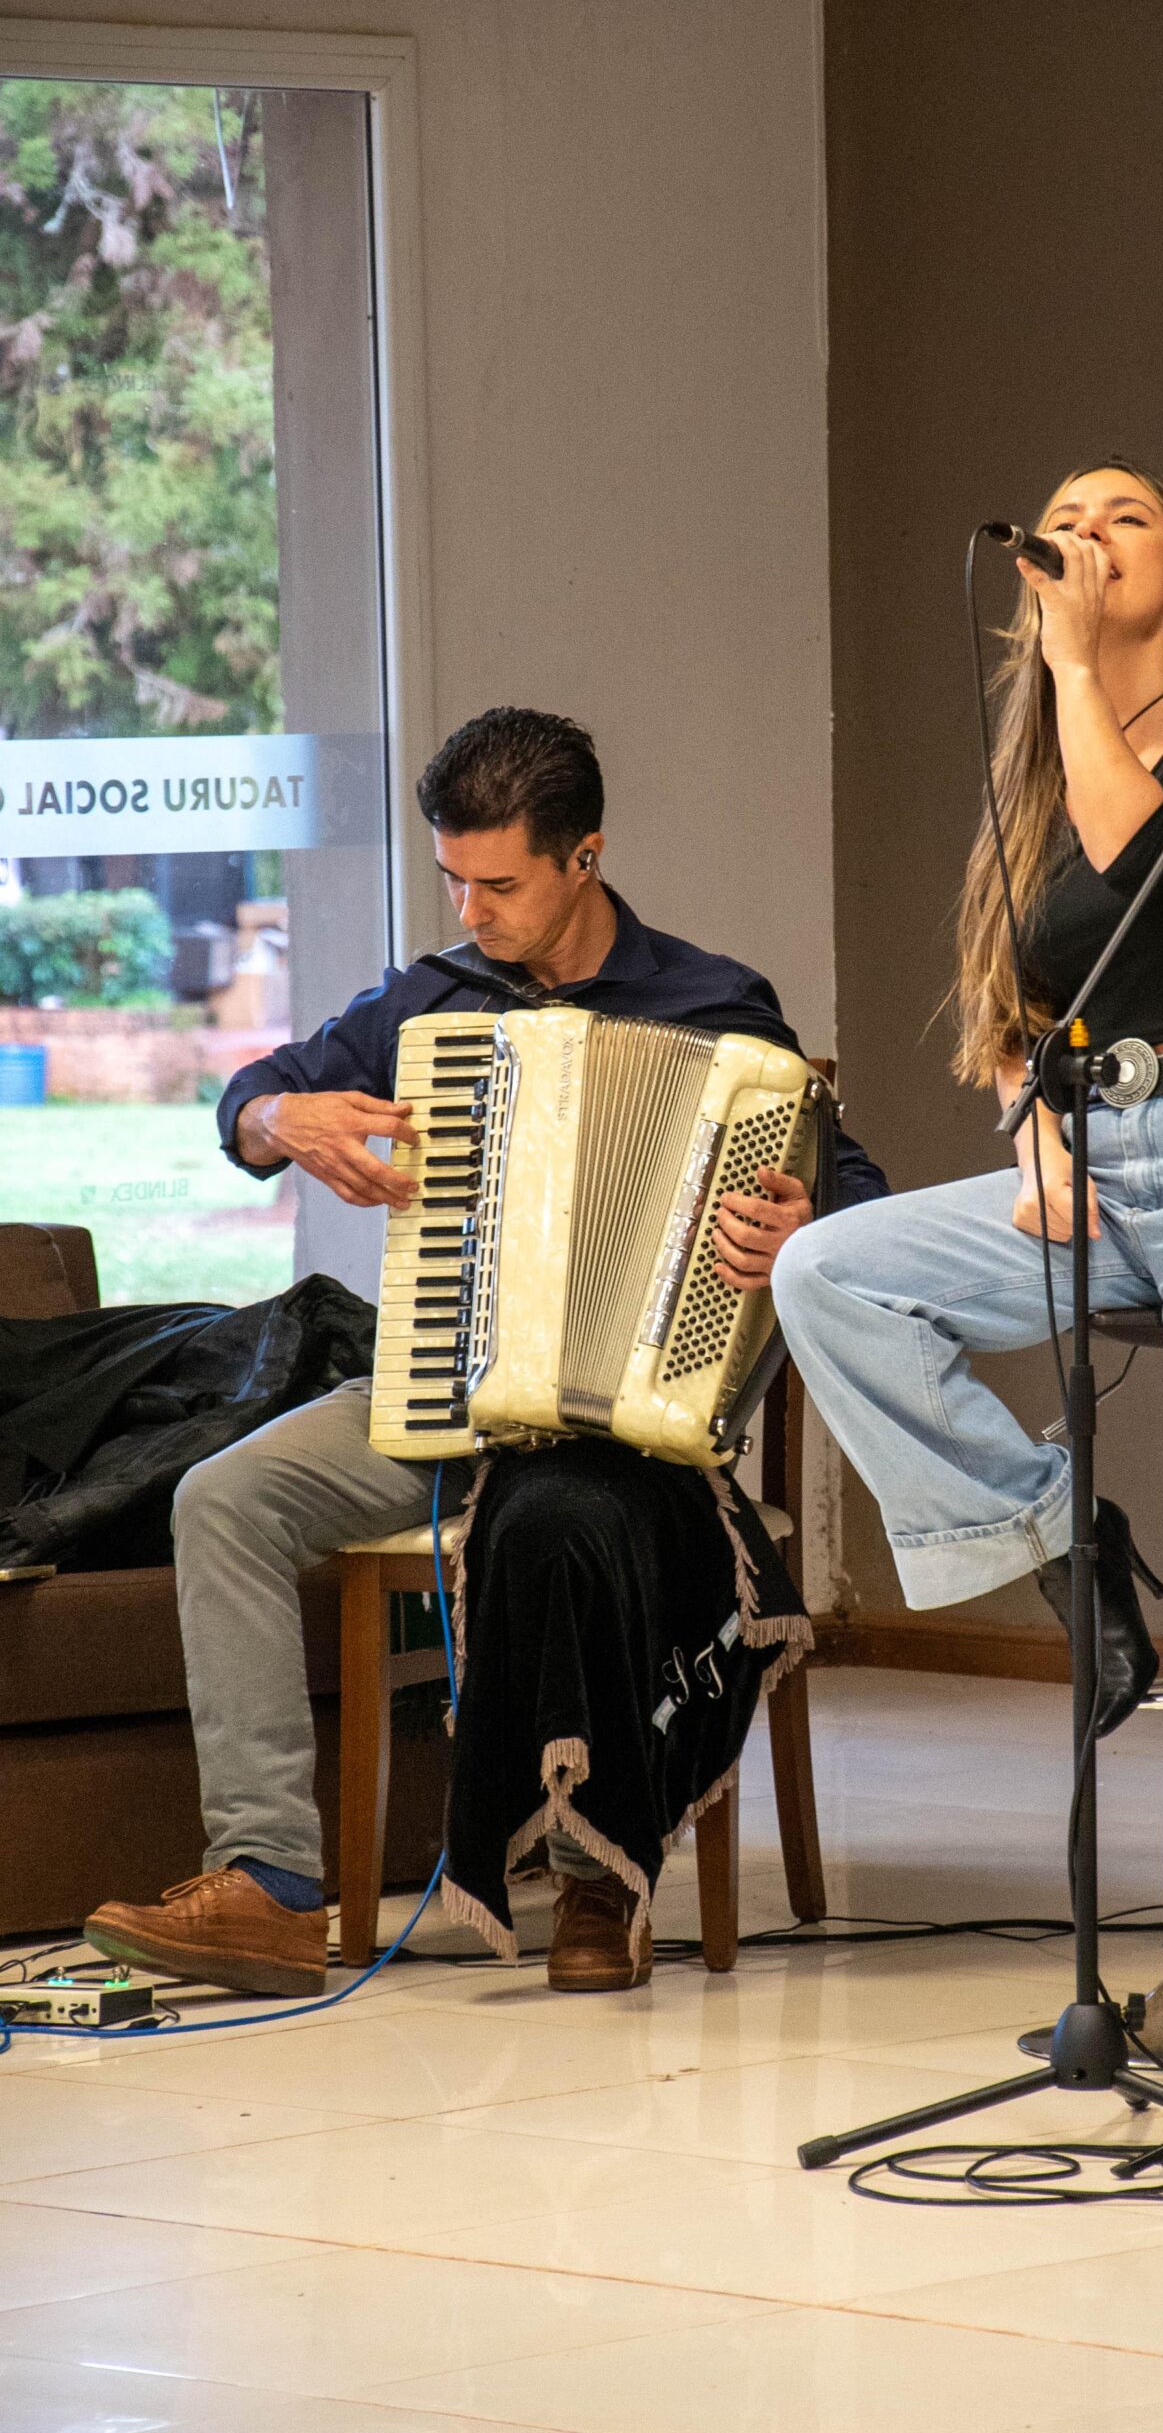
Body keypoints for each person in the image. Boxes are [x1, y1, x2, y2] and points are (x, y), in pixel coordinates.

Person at [84, 706, 886, 1999]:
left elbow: (850, 1191)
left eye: (498, 884)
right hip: (437, 1389)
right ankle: (271, 1886)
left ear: (585, 856)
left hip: (629, 1427)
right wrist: (287, 1116)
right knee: (221, 1498)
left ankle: (595, 1872)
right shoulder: (429, 1001)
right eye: (453, 878)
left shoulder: (716, 1006)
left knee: (562, 1519)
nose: (471, 909)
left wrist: (806, 1222)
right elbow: (243, 1103)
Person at [773, 460, 1163, 2102]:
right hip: (1113, 1167)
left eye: (1126, 519)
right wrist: (1036, 1130)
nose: (1085, 534)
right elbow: (1027, 1010)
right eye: (1069, 513)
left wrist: (1060, 666)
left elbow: (1139, 852)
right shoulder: (1038, 781)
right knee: (833, 1273)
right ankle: (1060, 1540)